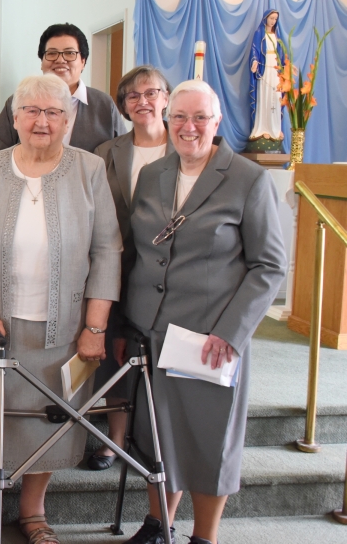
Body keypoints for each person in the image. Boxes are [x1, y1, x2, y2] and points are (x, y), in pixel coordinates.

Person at [0, 74, 122, 544]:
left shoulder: (89, 169)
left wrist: (95, 326)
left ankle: (33, 512)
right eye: (31, 111)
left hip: (66, 326)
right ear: (15, 118)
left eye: (53, 112)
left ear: (68, 120)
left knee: (51, 418)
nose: (41, 121)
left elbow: (108, 250)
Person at [123, 80, 286, 544]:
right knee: (159, 435)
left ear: (217, 123)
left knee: (210, 438)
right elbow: (140, 251)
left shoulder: (248, 179)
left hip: (210, 335)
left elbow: (269, 265)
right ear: (167, 120)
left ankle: (205, 536)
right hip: (152, 329)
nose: (189, 127)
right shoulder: (154, 174)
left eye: (200, 118)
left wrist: (231, 332)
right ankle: (159, 525)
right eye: (179, 117)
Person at [90, 65, 173, 471]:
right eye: (133, 96)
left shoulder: (188, 149)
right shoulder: (107, 152)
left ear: (166, 98)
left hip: (170, 273)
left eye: (152, 93)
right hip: (119, 265)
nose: (144, 102)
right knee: (115, 356)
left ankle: (159, 438)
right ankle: (115, 440)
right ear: (123, 105)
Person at [0, 23, 126, 155]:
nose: (60, 60)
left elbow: (120, 157)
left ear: (83, 61)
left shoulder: (104, 105)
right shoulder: (19, 101)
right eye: (52, 53)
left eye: (70, 53)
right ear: (42, 62)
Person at [249, 9, 285, 141]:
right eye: (271, 18)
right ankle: (263, 127)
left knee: (276, 97)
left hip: (275, 69)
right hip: (264, 69)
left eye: (275, 19)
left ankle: (275, 128)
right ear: (266, 18)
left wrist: (284, 68)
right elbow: (255, 49)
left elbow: (282, 53)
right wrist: (254, 61)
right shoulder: (260, 33)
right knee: (264, 96)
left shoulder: (277, 35)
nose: (273, 21)